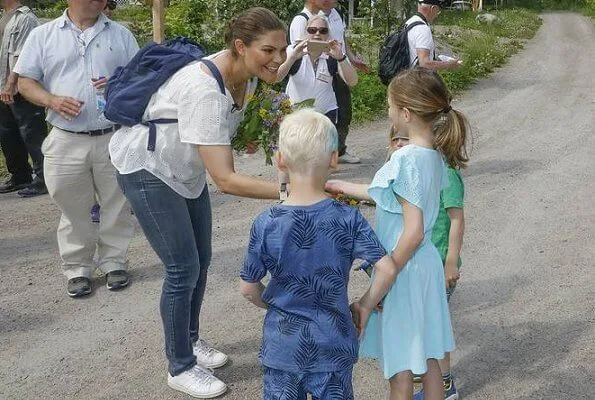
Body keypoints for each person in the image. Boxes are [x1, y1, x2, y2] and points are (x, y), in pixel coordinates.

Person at [109, 7, 289, 399]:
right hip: (148, 167)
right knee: (181, 267)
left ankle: (189, 341)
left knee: (201, 259)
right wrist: (292, 190)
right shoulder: (205, 88)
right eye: (269, 50)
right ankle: (179, 366)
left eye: (283, 49)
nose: (277, 59)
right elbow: (225, 179)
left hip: (183, 169)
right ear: (240, 46)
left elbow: (225, 135)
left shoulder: (247, 76)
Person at [328, 68, 469, 400]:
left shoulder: (404, 159)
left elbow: (414, 231)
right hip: (427, 269)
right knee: (431, 355)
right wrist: (337, 185)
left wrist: (383, 277)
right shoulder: (433, 157)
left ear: (405, 113)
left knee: (401, 369)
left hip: (404, 271)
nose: (388, 111)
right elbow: (386, 195)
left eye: (389, 105)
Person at [239, 108, 398, 400]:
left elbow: (248, 288)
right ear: (334, 160)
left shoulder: (267, 223)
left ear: (280, 160)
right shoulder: (348, 219)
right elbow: (387, 268)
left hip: (283, 347)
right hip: (333, 342)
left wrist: (275, 305)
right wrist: (363, 305)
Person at [14, 0, 139, 297]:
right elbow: (25, 82)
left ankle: (113, 262)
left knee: (117, 202)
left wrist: (119, 83)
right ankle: (77, 268)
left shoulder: (120, 35)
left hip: (113, 135)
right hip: (66, 136)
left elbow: (140, 78)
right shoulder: (43, 35)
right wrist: (52, 100)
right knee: (71, 206)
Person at [414, 146, 465, 400]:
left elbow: (456, 220)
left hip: (440, 267)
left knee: (435, 326)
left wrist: (451, 262)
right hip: (425, 266)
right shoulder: (427, 170)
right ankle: (429, 371)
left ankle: (445, 385)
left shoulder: (448, 174)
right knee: (425, 321)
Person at [0, 0, 47, 197]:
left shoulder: (25, 19)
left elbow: (23, 56)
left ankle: (44, 178)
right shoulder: (5, 17)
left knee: (32, 133)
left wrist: (11, 84)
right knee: (8, 134)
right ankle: (20, 176)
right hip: (3, 86)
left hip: (22, 87)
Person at [277, 15, 357, 129]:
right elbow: (277, 77)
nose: (317, 34)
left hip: (325, 116)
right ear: (306, 33)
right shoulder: (293, 50)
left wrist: (341, 58)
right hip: (296, 116)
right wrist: (292, 58)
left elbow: (352, 81)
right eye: (312, 30)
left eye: (323, 31)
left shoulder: (334, 53)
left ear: (328, 35)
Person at [321, 0, 369, 164]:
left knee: (344, 111)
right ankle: (320, 155)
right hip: (323, 70)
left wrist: (352, 58)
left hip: (341, 66)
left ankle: (339, 151)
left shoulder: (338, 13)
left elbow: (342, 38)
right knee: (324, 114)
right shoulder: (311, 16)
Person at [407, 0, 463, 71]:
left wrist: (440, 59)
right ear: (433, 9)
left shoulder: (410, 22)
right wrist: (449, 65)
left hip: (406, 76)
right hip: (418, 79)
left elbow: (413, 55)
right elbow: (424, 64)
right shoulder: (422, 28)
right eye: (438, 11)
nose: (437, 15)